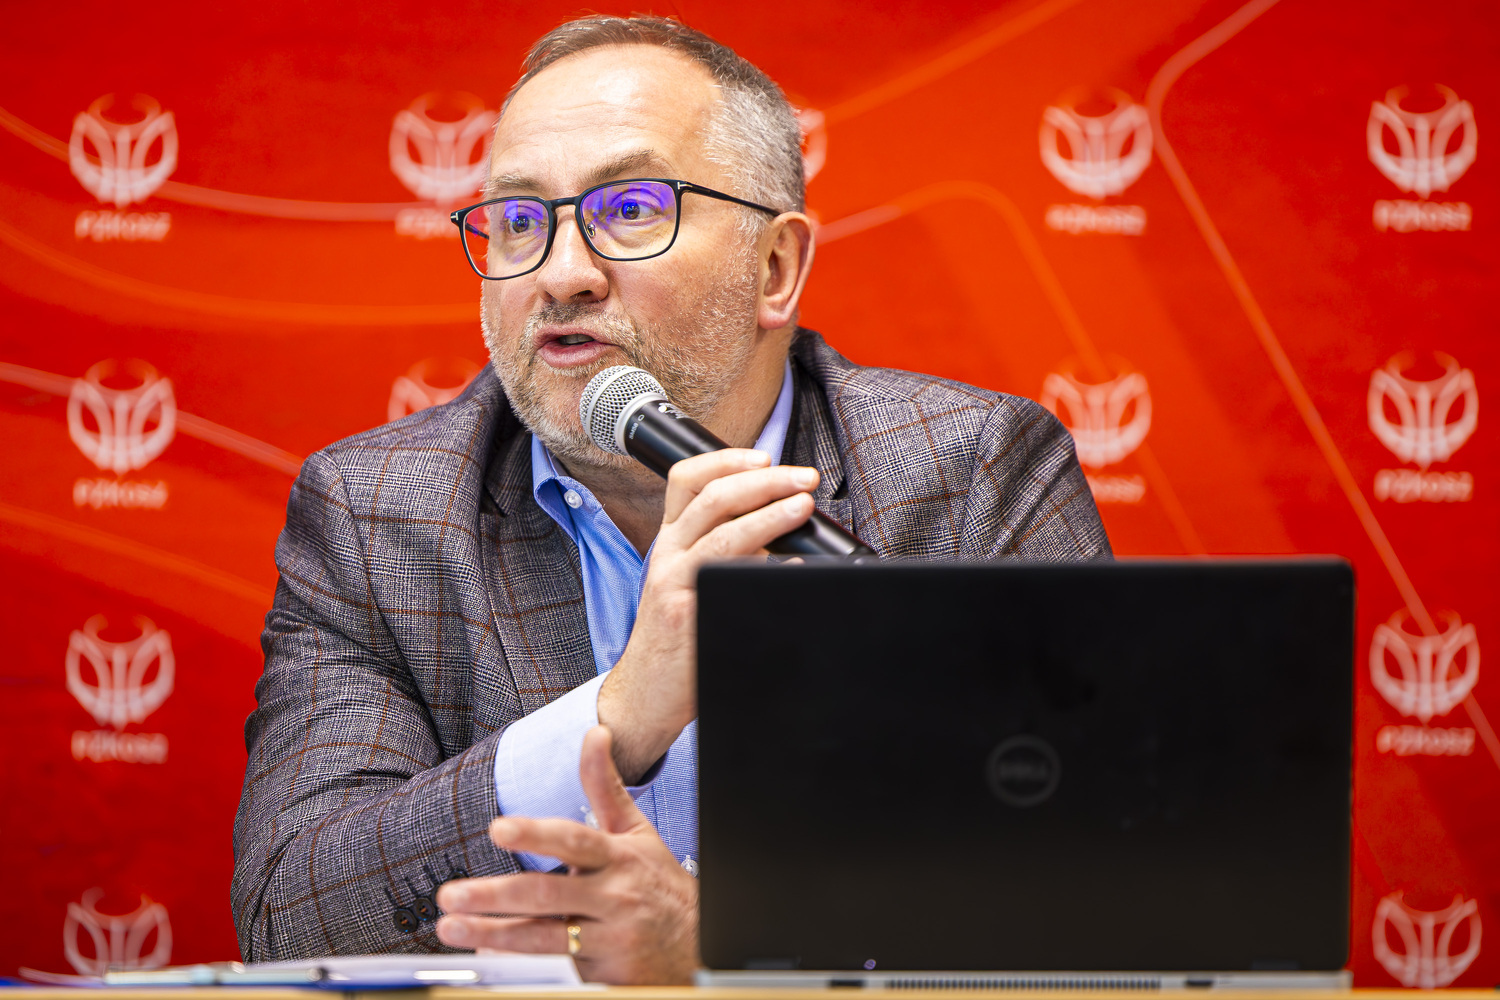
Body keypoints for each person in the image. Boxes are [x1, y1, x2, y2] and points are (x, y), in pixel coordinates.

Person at [231, 14, 1110, 986]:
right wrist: (619, 714)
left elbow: (1102, 882)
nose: (561, 275)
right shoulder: (373, 514)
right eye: (519, 221)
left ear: (774, 268)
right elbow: (290, 914)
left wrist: (727, 950)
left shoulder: (975, 473)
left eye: (631, 209)